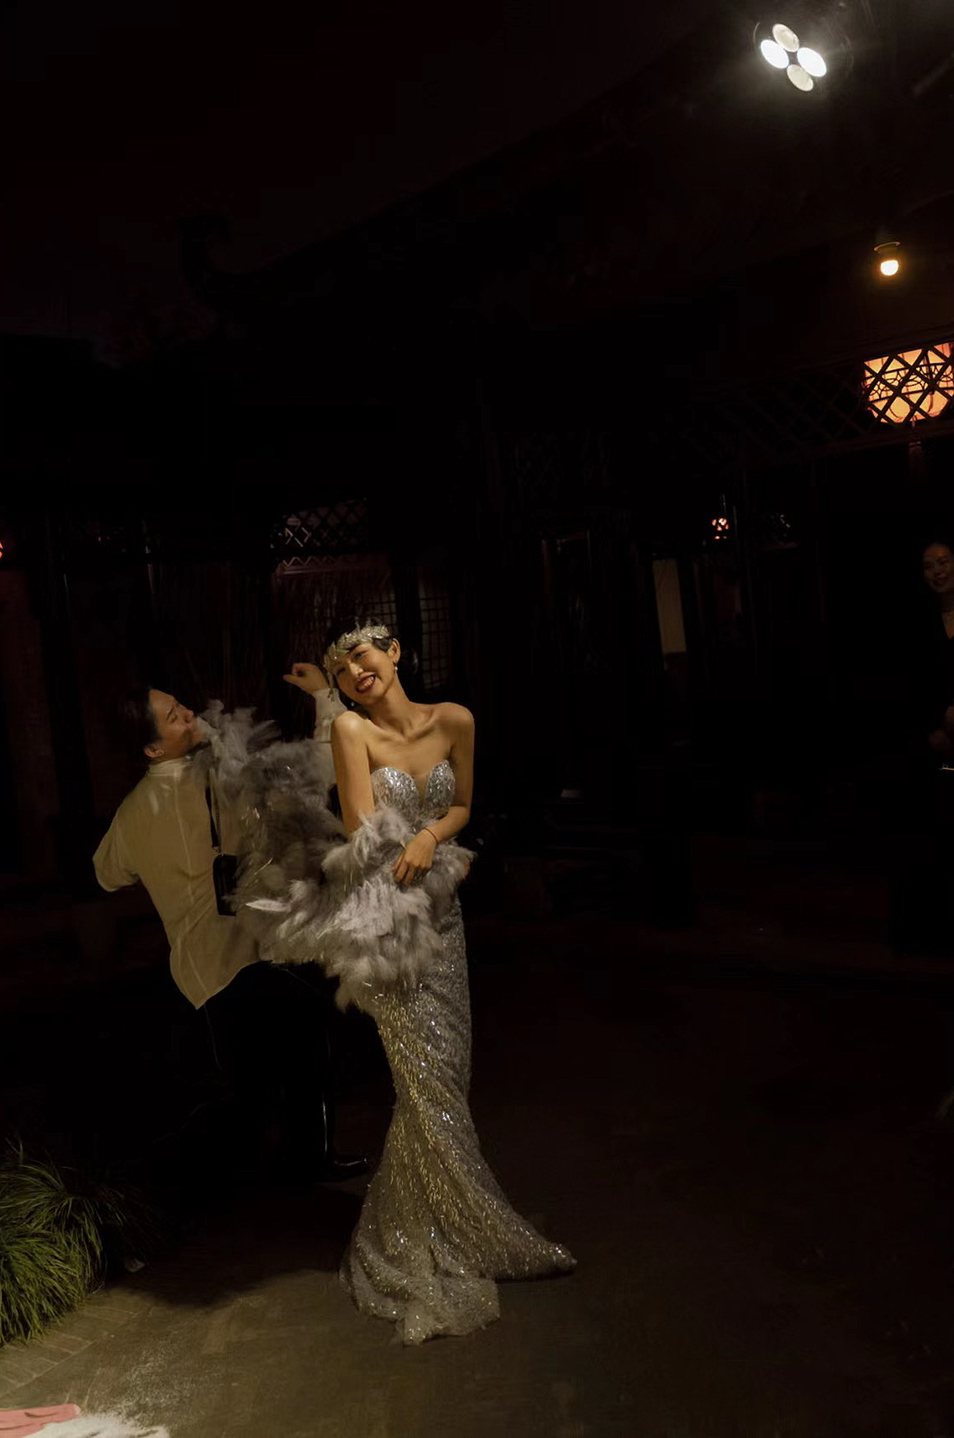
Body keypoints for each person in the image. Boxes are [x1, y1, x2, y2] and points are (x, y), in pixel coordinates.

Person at [317, 617, 574, 1343]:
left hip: (444, 920)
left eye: (361, 654)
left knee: (447, 1076)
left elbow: (460, 805)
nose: (354, 671)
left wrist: (433, 836)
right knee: (424, 1082)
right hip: (389, 925)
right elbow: (361, 829)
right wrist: (412, 851)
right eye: (340, 670)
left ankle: (416, 1221)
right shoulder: (351, 732)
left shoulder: (455, 718)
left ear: (394, 651)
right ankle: (476, 1227)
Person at [92, 674, 365, 1182]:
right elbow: (317, 774)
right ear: (153, 747)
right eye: (174, 716)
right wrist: (326, 698)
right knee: (302, 1048)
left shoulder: (130, 812)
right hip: (247, 951)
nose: (189, 714)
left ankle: (265, 1173)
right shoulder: (223, 777)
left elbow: (107, 874)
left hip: (200, 970)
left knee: (255, 1074)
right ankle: (302, 1163)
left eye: (180, 704)